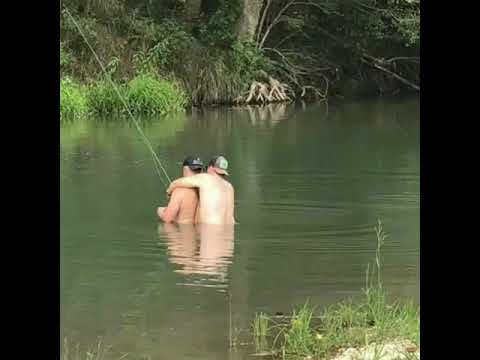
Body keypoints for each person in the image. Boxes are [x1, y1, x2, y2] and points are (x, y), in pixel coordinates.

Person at [166, 155, 236, 225]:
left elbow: (176, 183)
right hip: (228, 232)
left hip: (209, 232)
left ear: (210, 168)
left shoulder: (205, 178)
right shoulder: (230, 187)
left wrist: (169, 192)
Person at [157, 156, 203, 224]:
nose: (197, 173)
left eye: (198, 170)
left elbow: (167, 219)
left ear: (185, 169)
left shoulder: (179, 190)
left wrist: (160, 212)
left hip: (182, 233)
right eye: (195, 170)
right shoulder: (205, 191)